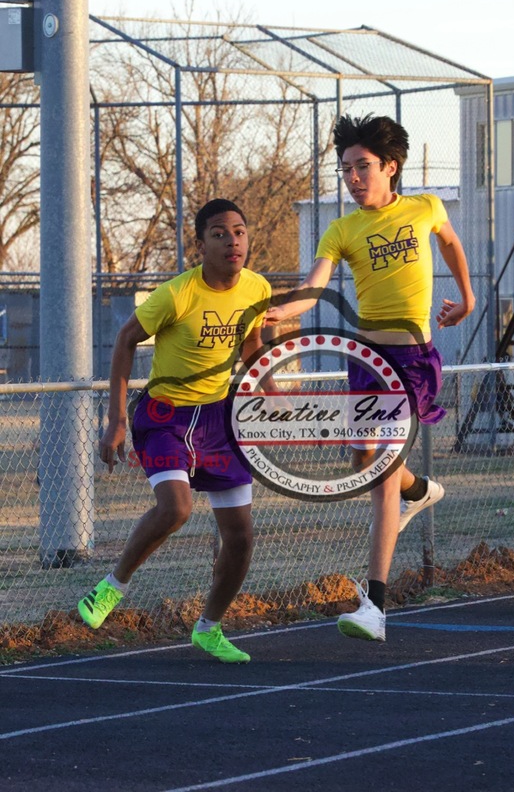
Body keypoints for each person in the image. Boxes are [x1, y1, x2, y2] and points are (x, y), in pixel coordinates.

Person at [264, 113, 476, 642]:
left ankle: (374, 608)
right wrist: (279, 313)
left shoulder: (424, 207)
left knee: (379, 475)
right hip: (366, 363)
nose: (354, 178)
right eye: (345, 170)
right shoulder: (342, 230)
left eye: (362, 167)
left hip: (411, 363)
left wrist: (467, 298)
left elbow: (449, 244)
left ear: (390, 167)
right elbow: (314, 288)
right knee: (364, 463)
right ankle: (420, 490)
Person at [78, 198, 274, 663]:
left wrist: (268, 384)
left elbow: (250, 341)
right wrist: (116, 420)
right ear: (200, 243)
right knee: (177, 508)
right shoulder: (177, 293)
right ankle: (111, 586)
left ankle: (209, 628)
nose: (233, 241)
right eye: (220, 233)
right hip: (165, 417)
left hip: (218, 420)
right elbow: (126, 340)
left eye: (240, 231)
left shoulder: (257, 287)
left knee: (242, 537)